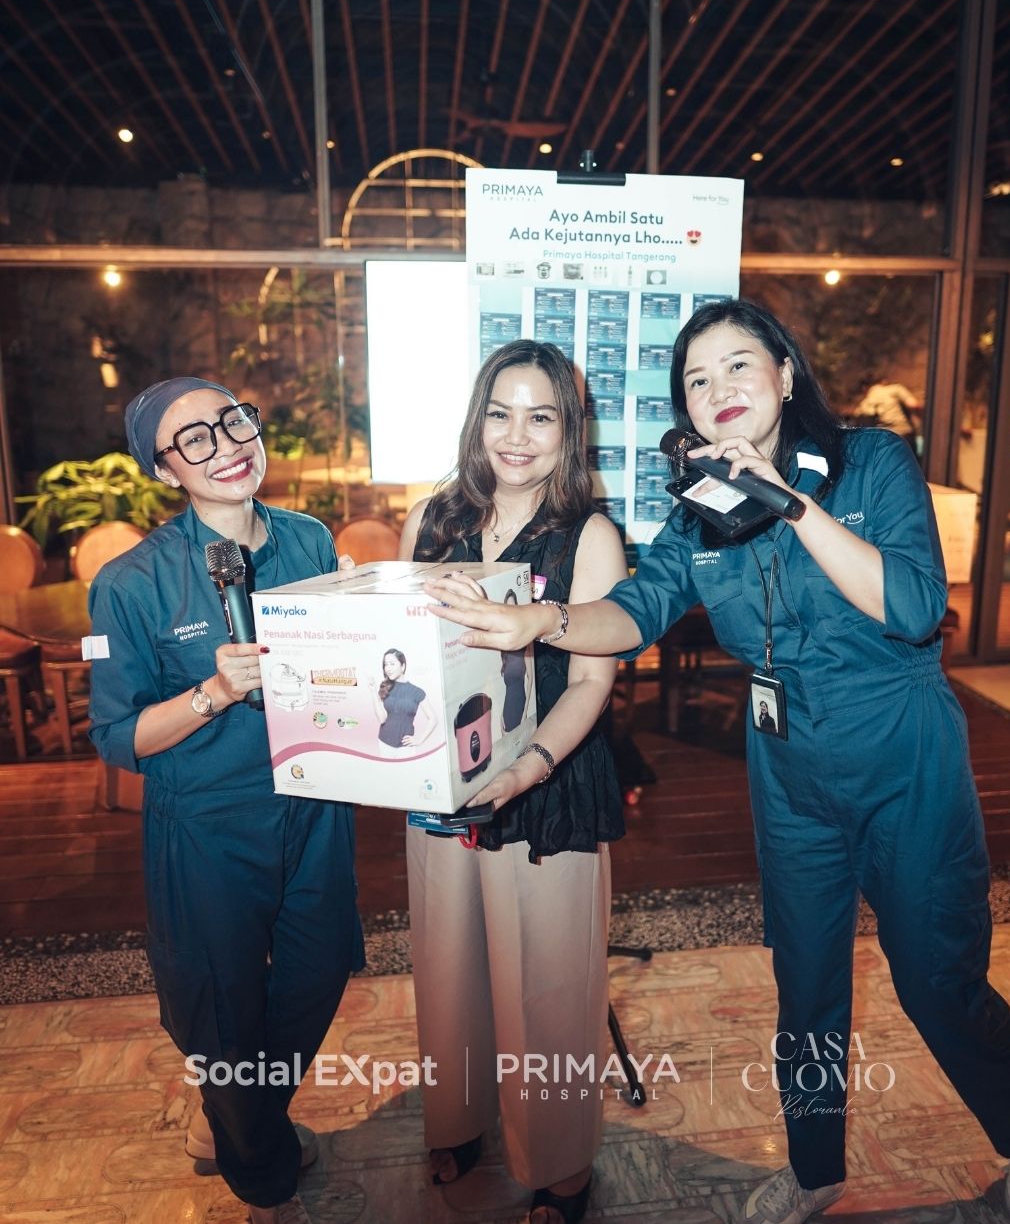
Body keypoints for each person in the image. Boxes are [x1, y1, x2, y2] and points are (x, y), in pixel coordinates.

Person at [423, 301, 1010, 1224]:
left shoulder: (870, 462)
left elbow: (915, 607)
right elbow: (635, 610)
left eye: (737, 365)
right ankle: (814, 1168)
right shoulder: (702, 513)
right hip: (787, 769)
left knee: (937, 977)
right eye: (697, 380)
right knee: (804, 982)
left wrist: (791, 503)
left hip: (902, 751)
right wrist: (544, 620)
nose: (717, 388)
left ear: (785, 373)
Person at [88, 377, 363, 1224]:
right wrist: (213, 693)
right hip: (207, 824)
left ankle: (233, 1114)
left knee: (319, 970)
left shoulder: (310, 540)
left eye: (232, 422)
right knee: (223, 1005)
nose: (227, 446)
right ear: (164, 470)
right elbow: (118, 738)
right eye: (194, 440)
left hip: (315, 804)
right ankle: (263, 1177)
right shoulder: (130, 583)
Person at [400, 340, 627, 1224]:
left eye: (541, 417)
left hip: (547, 784)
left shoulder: (589, 536)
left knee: (549, 985)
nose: (517, 436)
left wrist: (532, 766)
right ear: (477, 420)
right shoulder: (434, 520)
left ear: (570, 431)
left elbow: (593, 682)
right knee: (447, 964)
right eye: (500, 413)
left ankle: (560, 1165)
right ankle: (456, 1118)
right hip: (444, 784)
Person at [369, 648, 436, 755]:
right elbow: (382, 719)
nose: (388, 668)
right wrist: (373, 691)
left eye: (392, 664)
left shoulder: (417, 692)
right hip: (384, 743)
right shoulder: (385, 688)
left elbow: (433, 719)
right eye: (386, 664)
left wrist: (420, 740)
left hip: (406, 748)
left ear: (402, 666)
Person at [852, 376, 923, 453]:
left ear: (864, 388)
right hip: (904, 434)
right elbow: (913, 404)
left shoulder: (864, 404)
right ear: (883, 382)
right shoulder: (895, 389)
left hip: (884, 441)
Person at [499, 587, 532, 733]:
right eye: (508, 608)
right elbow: (507, 689)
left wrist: (525, 712)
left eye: (513, 607)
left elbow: (530, 679)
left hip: (519, 706)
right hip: (506, 711)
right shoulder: (504, 647)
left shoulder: (525, 641)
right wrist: (501, 714)